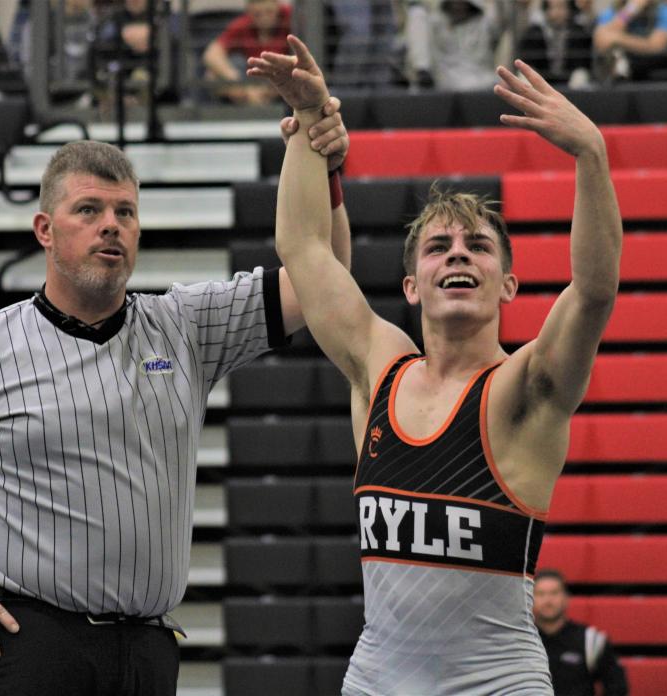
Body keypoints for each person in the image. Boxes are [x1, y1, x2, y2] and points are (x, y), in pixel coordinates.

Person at [0, 109, 351, 693]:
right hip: (27, 639)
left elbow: (323, 284)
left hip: (148, 646)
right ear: (44, 230)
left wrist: (324, 170)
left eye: (125, 212)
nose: (111, 225)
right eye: (89, 210)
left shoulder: (184, 325)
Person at [250, 33, 622, 694]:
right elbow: (304, 247)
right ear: (413, 285)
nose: (457, 255)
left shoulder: (524, 390)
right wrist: (308, 123)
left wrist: (591, 154)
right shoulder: (378, 367)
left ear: (508, 286)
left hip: (497, 684)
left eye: (478, 247)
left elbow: (592, 292)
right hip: (377, 680)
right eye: (438, 247)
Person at [533, 569, 628, 696]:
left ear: (566, 597)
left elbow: (617, 687)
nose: (548, 600)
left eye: (554, 593)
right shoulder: (521, 641)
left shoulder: (590, 640)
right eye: (540, 594)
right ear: (530, 598)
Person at [202, 0, 290, 104]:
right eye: (258, 14)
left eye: (269, 12)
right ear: (249, 11)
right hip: (247, 84)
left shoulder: (291, 18)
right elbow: (211, 54)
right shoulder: (243, 24)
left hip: (279, 82)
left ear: (277, 7)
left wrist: (270, 90)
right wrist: (239, 83)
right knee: (211, 76)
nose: (264, 18)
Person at [593, 0, 667, 81]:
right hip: (620, 79)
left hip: (655, 76)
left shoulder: (664, 12)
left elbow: (657, 46)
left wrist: (617, 39)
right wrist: (630, 11)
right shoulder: (614, 11)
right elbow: (602, 41)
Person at [519, 0, 594, 87]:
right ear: (546, 8)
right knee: (525, 76)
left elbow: (583, 63)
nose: (557, 12)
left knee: (580, 76)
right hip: (542, 79)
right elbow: (527, 59)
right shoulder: (535, 31)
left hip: (570, 81)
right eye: (553, 7)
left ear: (569, 8)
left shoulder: (579, 32)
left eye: (561, 7)